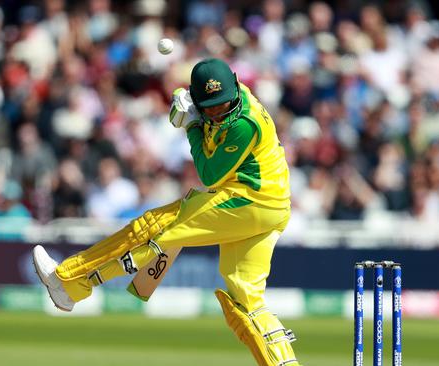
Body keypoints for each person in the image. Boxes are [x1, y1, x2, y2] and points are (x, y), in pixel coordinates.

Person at [33, 58, 300, 366]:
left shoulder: (243, 123)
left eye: (224, 105)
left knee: (156, 226)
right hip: (268, 206)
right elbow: (183, 98)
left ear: (236, 91)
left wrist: (191, 126)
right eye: (210, 107)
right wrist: (179, 101)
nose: (219, 113)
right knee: (245, 299)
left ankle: (70, 281)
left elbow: (209, 174)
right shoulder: (219, 105)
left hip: (252, 201)